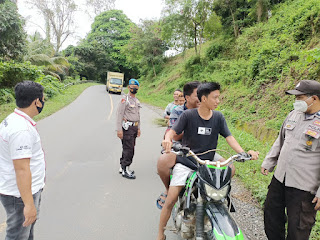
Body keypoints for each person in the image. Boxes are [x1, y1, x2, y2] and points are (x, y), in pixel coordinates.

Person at [156, 82, 259, 240]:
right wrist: (168, 140)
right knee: (171, 198)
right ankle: (160, 233)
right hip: (188, 160)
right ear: (203, 98)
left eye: (219, 97)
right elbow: (172, 132)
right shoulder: (188, 115)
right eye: (215, 97)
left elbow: (229, 137)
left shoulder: (218, 117)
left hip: (209, 160)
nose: (218, 101)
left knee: (230, 170)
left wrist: (243, 153)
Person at [261, 80, 320, 240]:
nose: (296, 102)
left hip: (303, 187)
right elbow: (280, 141)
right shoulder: (293, 115)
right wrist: (269, 161)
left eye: (299, 98)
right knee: (271, 216)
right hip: (280, 178)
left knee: (298, 229)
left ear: (314, 99)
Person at [0, 80, 46, 240]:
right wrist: (28, 204)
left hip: (21, 192)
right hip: (19, 196)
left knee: (26, 234)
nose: (43, 102)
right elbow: (21, 169)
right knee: (17, 235)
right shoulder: (21, 130)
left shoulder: (13, 119)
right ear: (36, 101)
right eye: (43, 99)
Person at [116, 78, 141, 179]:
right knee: (129, 149)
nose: (133, 89)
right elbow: (119, 114)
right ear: (128, 87)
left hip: (134, 127)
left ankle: (123, 167)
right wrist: (119, 129)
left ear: (138, 88)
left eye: (135, 87)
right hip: (127, 128)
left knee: (128, 148)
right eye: (132, 87)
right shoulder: (124, 99)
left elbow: (138, 116)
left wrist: (138, 128)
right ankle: (125, 170)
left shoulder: (137, 101)